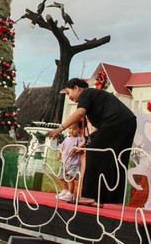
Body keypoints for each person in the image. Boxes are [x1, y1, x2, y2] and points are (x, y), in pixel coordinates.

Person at [48, 78, 136, 207]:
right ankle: (101, 198)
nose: (69, 97)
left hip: (115, 122)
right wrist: (85, 144)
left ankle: (88, 196)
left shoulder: (86, 93)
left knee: (94, 153)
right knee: (113, 158)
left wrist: (61, 128)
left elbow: (79, 113)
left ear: (77, 88)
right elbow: (101, 130)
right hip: (127, 122)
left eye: (68, 93)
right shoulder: (95, 96)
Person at [55, 120, 84, 203]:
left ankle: (70, 194)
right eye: (70, 128)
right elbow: (62, 147)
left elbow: (81, 150)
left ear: (79, 129)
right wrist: (59, 154)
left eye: (74, 129)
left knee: (70, 178)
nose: (71, 130)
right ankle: (65, 190)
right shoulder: (67, 138)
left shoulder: (79, 139)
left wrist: (77, 150)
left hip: (74, 163)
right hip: (64, 162)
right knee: (60, 177)